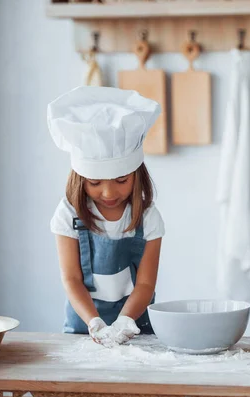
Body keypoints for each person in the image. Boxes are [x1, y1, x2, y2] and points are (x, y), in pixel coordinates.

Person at [48, 86, 165, 347]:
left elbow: (145, 283)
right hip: (83, 330)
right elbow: (72, 279)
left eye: (122, 180)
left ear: (137, 175)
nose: (109, 192)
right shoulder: (68, 215)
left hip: (138, 330)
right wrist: (94, 322)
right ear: (79, 179)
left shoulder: (148, 217)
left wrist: (125, 322)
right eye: (94, 182)